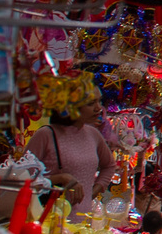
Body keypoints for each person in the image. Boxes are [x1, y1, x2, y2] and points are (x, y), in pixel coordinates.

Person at [27, 79, 115, 214]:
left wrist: (93, 191)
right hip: (48, 223)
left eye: (99, 101)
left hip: (82, 223)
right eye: (91, 103)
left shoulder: (93, 134)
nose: (98, 108)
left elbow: (109, 166)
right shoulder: (46, 135)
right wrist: (61, 178)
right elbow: (23, 181)